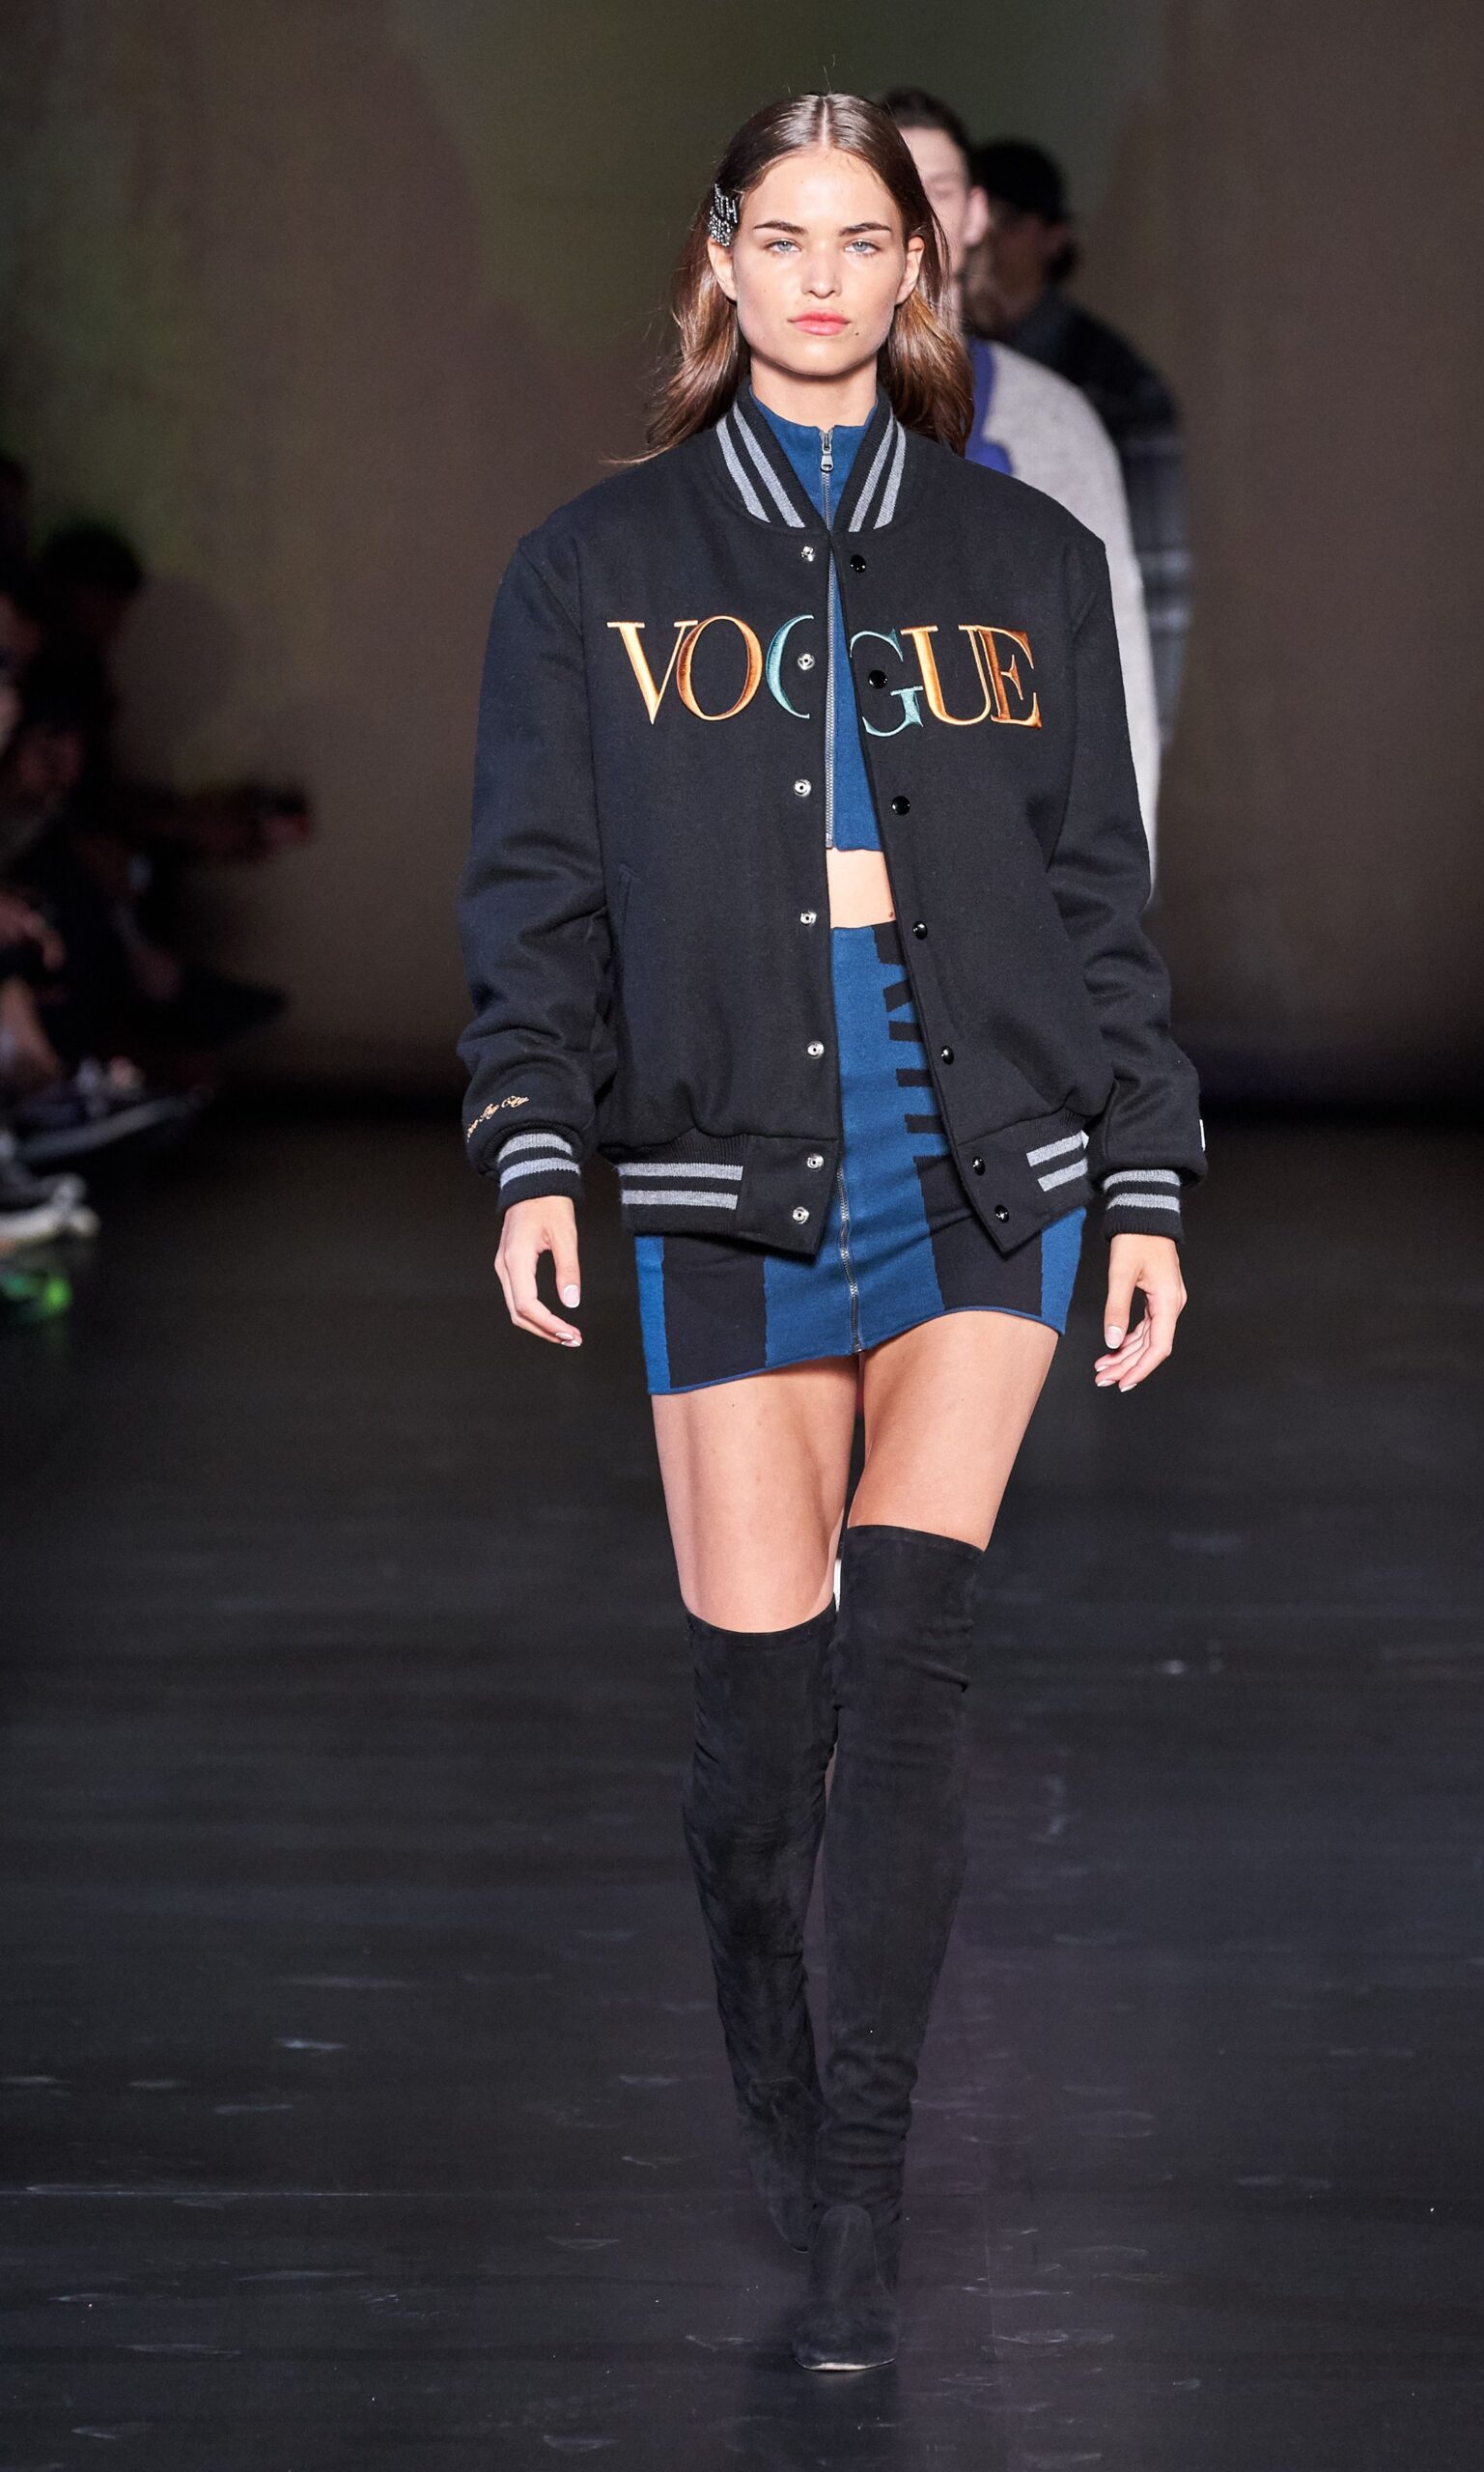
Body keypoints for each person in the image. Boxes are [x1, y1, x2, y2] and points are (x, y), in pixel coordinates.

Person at [455, 92, 1205, 2373]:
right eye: (774, 237)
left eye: (855, 238)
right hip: (728, 1157)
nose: (814, 277)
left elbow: (1095, 896)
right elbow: (534, 888)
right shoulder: (591, 566)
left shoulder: (1022, 560)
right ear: (720, 261)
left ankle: (862, 2185)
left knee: (911, 1667)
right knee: (755, 1735)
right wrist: (530, 1143)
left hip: (990, 1153)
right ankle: (787, 2112)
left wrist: (1143, 1174)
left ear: (913, 269)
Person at [880, 87, 1162, 871]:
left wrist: (1114, 885)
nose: (913, 219)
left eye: (935, 190)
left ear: (975, 214)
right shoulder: (783, 418)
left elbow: (1112, 666)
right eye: (884, 189)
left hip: (1008, 859)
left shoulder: (1052, 421)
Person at [967, 138, 1193, 746]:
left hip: (1059, 706)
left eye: (1005, 218)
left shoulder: (1116, 387)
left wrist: (1139, 741)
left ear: (1054, 237)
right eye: (975, 211)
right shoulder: (927, 365)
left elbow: (1155, 581)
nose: (984, 235)